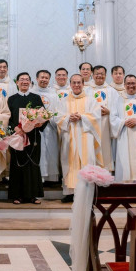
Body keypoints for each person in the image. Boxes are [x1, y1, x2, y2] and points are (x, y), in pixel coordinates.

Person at [57, 74, 101, 202]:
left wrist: (82, 117)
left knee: (87, 162)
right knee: (69, 164)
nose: (76, 85)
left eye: (79, 83)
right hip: (69, 136)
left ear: (83, 84)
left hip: (86, 136)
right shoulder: (64, 101)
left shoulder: (91, 100)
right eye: (74, 83)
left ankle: (87, 193)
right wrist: (68, 118)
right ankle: (70, 193)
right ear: (70, 84)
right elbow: (57, 118)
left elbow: (96, 116)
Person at [7, 72, 47, 204]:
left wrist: (40, 123)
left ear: (30, 82)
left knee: (32, 165)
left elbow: (44, 115)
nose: (24, 82)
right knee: (17, 164)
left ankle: (32, 195)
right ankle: (17, 195)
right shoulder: (11, 99)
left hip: (33, 136)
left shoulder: (36, 98)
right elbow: (8, 118)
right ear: (17, 82)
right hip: (18, 136)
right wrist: (15, 128)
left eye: (27, 79)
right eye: (22, 79)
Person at [31, 70, 61, 183]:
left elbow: (58, 111)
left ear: (49, 79)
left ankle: (51, 178)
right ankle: (39, 178)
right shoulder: (31, 93)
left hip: (50, 127)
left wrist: (49, 118)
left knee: (51, 151)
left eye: (46, 78)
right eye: (42, 77)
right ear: (37, 78)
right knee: (39, 152)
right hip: (35, 128)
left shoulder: (54, 95)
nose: (44, 80)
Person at [89, 66, 119, 172]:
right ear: (93, 75)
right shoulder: (87, 90)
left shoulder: (112, 91)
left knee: (106, 148)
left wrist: (109, 111)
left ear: (105, 75)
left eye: (102, 74)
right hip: (91, 124)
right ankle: (91, 171)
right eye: (97, 74)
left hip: (106, 124)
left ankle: (106, 172)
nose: (99, 76)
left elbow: (118, 109)